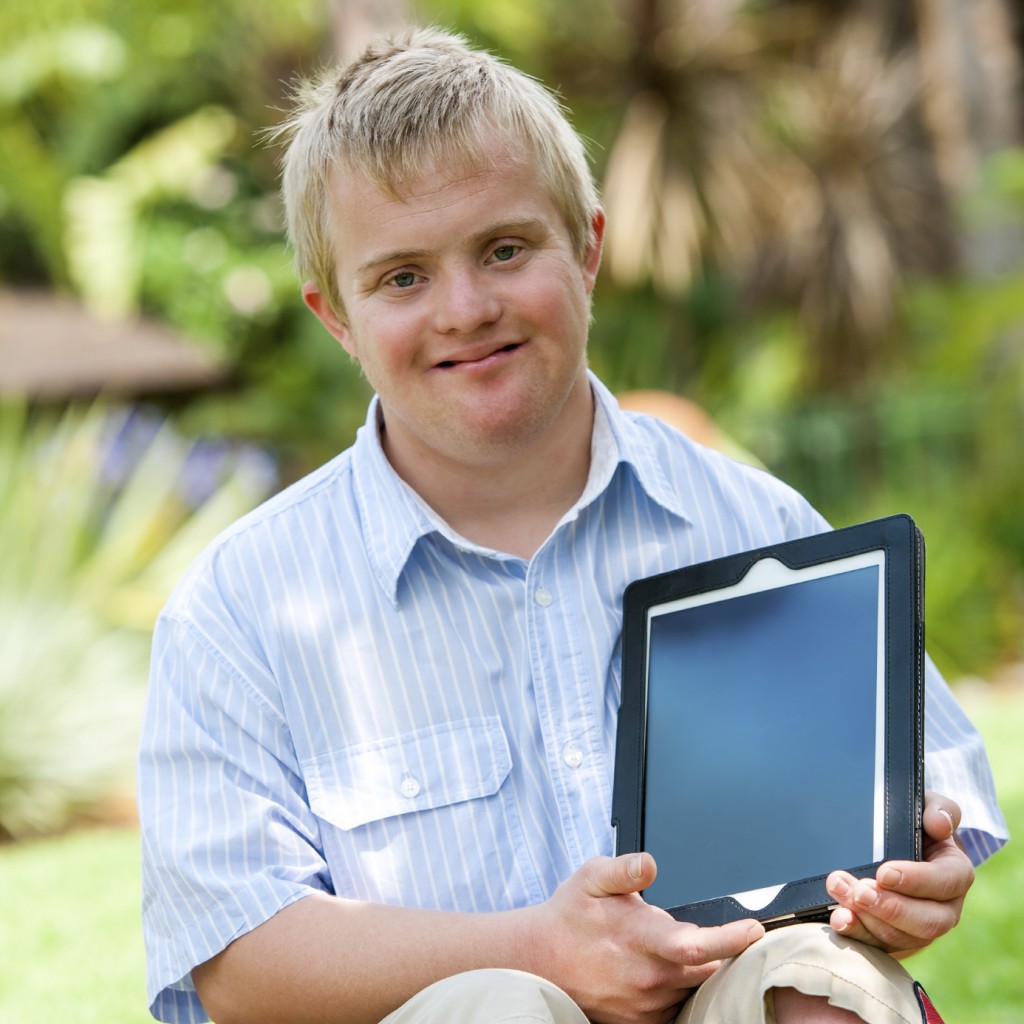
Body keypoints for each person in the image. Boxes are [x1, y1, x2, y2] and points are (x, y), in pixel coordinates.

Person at [138, 27, 1008, 1024]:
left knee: (815, 980)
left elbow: (929, 787)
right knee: (494, 1003)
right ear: (334, 313)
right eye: (402, 278)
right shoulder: (239, 608)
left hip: (721, 990)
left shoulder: (751, 521)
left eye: (504, 249)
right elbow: (237, 962)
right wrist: (533, 947)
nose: (464, 308)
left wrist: (919, 864)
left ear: (587, 248)